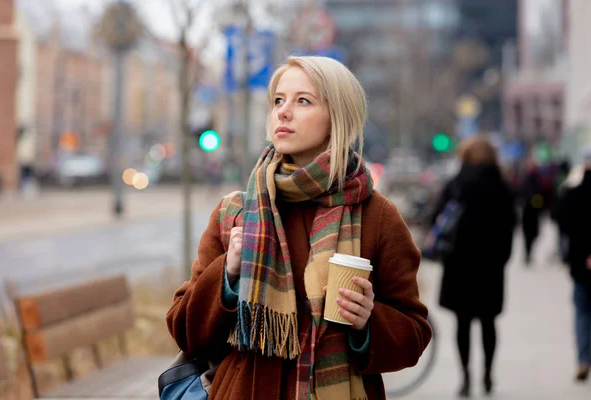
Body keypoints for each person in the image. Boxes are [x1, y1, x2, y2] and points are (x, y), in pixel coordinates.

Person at [166, 56, 432, 400]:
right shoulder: (235, 212)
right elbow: (185, 331)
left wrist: (368, 322)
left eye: (303, 100)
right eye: (279, 100)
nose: (284, 112)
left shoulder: (377, 216)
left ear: (337, 117)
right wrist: (228, 274)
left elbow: (414, 333)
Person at [429, 136, 516, 397]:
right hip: (490, 267)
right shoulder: (501, 187)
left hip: (459, 267)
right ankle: (488, 376)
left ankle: (466, 378)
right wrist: (502, 258)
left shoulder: (455, 185)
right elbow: (511, 226)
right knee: (489, 323)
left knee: (462, 324)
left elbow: (437, 220)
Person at [558, 149, 591, 382]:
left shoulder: (573, 193)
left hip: (580, 264)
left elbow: (564, 225)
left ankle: (583, 359)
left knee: (582, 311)